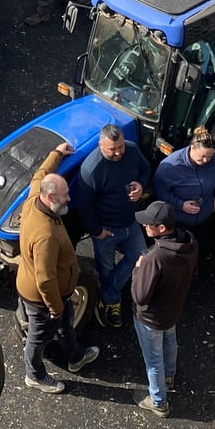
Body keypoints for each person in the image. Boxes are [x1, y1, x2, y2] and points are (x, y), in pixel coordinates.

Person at [17, 139, 100, 393]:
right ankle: (35, 374)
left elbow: (40, 174)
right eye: (64, 196)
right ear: (51, 196)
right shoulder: (46, 236)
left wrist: (57, 153)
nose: (69, 198)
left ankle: (75, 357)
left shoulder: (35, 197)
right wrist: (54, 307)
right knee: (38, 337)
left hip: (34, 286)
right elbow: (45, 279)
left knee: (65, 323)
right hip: (42, 299)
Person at [74, 123, 152, 328]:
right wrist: (96, 231)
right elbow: (83, 204)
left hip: (130, 221)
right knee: (106, 267)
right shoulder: (92, 170)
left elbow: (145, 169)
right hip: (107, 229)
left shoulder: (132, 151)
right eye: (112, 149)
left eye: (120, 147)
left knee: (141, 257)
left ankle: (107, 296)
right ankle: (111, 300)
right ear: (101, 145)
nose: (118, 152)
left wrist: (141, 184)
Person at [129, 201, 199, 416]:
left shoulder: (155, 257)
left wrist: (138, 269)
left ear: (161, 228)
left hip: (151, 317)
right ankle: (170, 377)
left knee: (153, 359)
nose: (144, 226)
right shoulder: (189, 241)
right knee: (170, 342)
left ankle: (159, 401)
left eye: (149, 224)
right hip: (174, 308)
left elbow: (140, 296)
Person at [152, 126, 215, 233]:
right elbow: (160, 192)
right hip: (179, 222)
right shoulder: (170, 167)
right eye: (203, 156)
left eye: (209, 157)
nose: (206, 160)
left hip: (205, 218)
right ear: (192, 147)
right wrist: (181, 205)